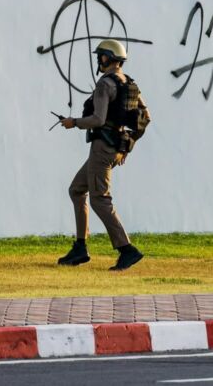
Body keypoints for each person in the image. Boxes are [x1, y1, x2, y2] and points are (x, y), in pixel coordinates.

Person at [57, 39, 151, 271]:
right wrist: (126, 146)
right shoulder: (129, 84)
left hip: (101, 148)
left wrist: (73, 123)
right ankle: (80, 248)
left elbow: (98, 119)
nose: (99, 60)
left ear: (108, 58)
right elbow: (145, 117)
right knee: (77, 190)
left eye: (101, 56)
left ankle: (126, 249)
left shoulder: (104, 85)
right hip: (113, 148)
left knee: (100, 199)